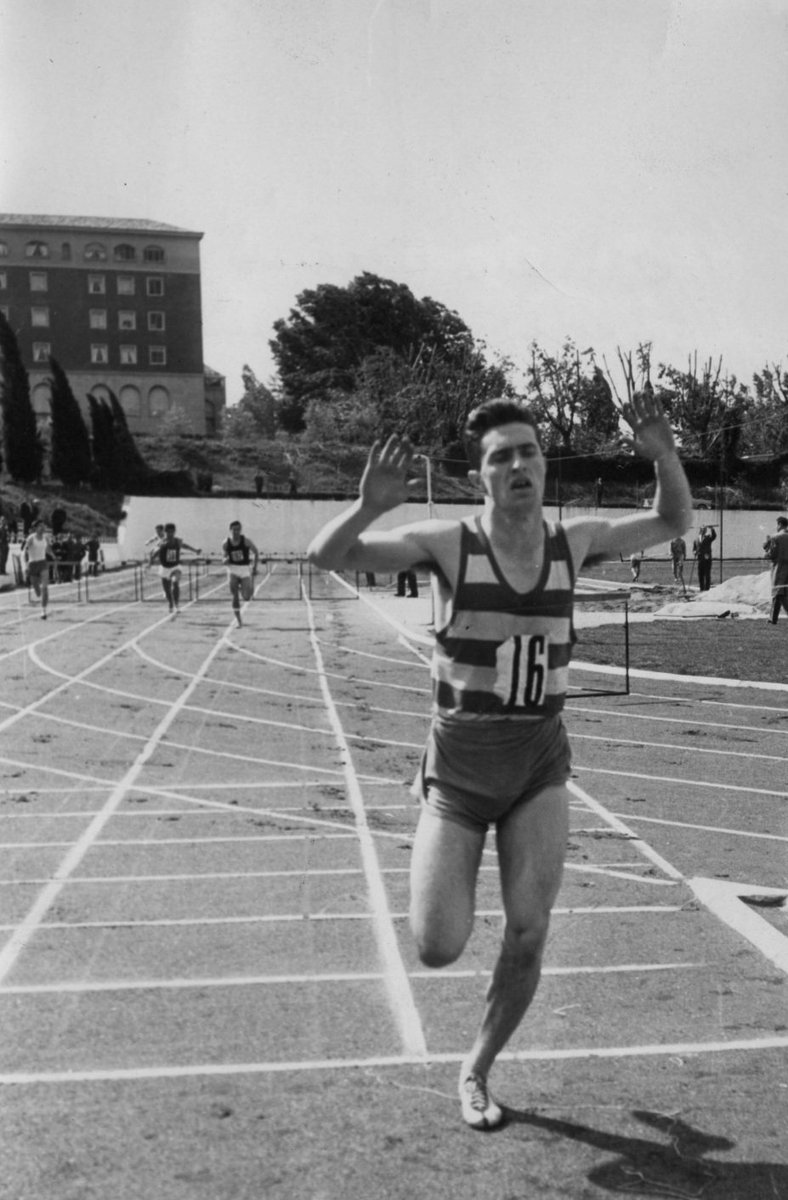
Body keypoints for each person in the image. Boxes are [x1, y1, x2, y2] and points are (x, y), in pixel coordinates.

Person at [307, 390, 692, 1130]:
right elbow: (332, 558)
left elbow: (673, 519)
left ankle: (477, 1069)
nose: (518, 465)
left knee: (528, 929)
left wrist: (664, 454)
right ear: (479, 476)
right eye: (500, 457)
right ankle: (432, 837)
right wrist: (366, 506)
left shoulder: (572, 542)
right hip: (457, 776)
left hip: (538, 767)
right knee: (439, 945)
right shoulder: (449, 544)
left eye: (529, 451)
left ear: (544, 465)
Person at [148, 523, 201, 616]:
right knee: (167, 590)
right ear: (165, 532)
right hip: (164, 568)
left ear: (174, 532)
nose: (170, 534)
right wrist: (150, 563)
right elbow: (154, 553)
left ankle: (176, 604)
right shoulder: (162, 543)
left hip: (175, 566)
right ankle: (170, 603)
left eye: (172, 532)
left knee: (175, 582)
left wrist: (195, 550)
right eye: (168, 532)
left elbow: (185, 546)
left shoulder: (177, 541)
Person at [222, 520, 260, 627]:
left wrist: (255, 568)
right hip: (232, 569)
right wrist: (224, 560)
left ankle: (244, 586)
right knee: (234, 596)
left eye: (238, 530)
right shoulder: (226, 543)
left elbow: (256, 551)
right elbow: (224, 557)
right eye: (234, 530)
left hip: (244, 569)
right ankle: (239, 621)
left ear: (240, 530)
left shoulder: (246, 541)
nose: (236, 532)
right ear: (230, 530)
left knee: (247, 597)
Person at [22, 519, 55, 618]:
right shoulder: (31, 538)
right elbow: (25, 552)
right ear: (35, 528)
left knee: (45, 588)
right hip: (32, 564)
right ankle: (38, 591)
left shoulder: (46, 538)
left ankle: (43, 611)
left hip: (43, 563)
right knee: (37, 591)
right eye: (40, 526)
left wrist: (53, 555)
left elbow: (47, 549)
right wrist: (26, 566)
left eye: (43, 525)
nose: (43, 527)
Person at [764, 515, 788, 624]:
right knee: (781, 593)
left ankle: (772, 618)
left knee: (778, 593)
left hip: (779, 568)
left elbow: (772, 554)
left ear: (779, 524)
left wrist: (766, 552)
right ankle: (772, 618)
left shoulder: (775, 537)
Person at [692, 524, 716, 591]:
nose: (704, 530)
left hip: (707, 559)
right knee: (700, 574)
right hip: (700, 559)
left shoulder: (708, 537)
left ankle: (707, 589)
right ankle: (701, 588)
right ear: (700, 530)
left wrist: (712, 529)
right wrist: (694, 552)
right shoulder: (696, 539)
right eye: (702, 529)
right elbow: (694, 548)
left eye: (705, 529)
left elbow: (714, 536)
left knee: (707, 574)